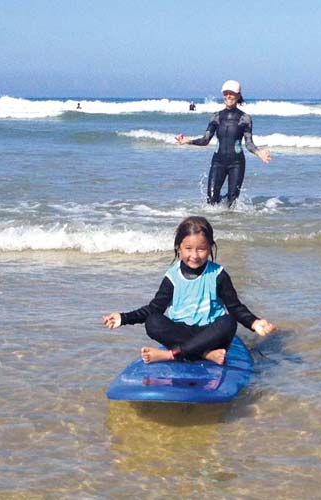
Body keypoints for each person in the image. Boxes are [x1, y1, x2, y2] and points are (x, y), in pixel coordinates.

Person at [102, 216, 276, 365]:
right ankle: (205, 354)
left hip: (211, 335)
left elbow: (235, 307)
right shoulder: (172, 277)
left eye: (201, 249)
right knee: (153, 322)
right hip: (181, 332)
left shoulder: (218, 275)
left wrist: (254, 323)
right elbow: (153, 309)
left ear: (210, 248)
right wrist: (124, 318)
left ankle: (172, 355)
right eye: (188, 249)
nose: (194, 255)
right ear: (178, 247)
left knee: (228, 321)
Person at [176, 80, 271, 207]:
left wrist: (259, 152)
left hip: (237, 164)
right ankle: (217, 223)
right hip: (218, 162)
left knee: (232, 202)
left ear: (238, 95)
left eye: (231, 93)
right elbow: (206, 140)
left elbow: (249, 143)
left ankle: (231, 224)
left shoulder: (245, 118)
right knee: (211, 200)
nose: (228, 96)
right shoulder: (216, 117)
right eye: (226, 93)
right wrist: (188, 141)